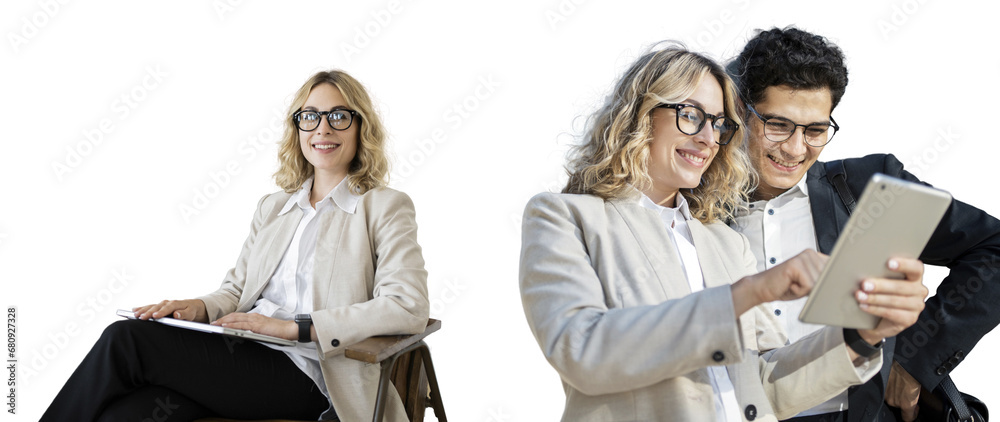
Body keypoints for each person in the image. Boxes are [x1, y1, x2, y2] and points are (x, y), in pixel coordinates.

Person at [518, 43, 929, 422]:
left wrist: (864, 334)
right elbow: (582, 352)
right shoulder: (564, 217)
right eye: (691, 115)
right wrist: (746, 294)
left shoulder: (725, 242)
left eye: (718, 123)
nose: (708, 138)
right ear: (641, 114)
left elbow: (763, 385)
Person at [41, 70, 429, 422]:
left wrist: (295, 328)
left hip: (311, 373)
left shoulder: (384, 207)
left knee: (125, 339)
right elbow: (238, 289)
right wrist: (200, 306)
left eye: (338, 116)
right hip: (239, 357)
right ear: (297, 128)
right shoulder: (275, 207)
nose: (322, 129)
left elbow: (406, 306)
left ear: (361, 127)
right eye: (309, 117)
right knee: (127, 415)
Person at [727, 27, 1000, 422]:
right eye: (778, 125)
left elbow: (994, 250)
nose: (795, 148)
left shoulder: (872, 189)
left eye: (816, 130)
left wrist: (912, 360)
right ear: (741, 109)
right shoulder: (693, 204)